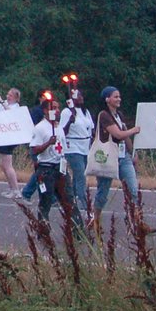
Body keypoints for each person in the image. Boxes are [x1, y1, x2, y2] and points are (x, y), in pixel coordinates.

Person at [92, 86, 156, 234]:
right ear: (107, 99)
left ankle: (139, 222)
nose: (119, 99)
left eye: (119, 96)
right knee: (103, 192)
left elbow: (125, 136)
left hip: (123, 157)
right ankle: (95, 220)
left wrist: (132, 152)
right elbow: (118, 134)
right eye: (115, 96)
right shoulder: (104, 115)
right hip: (108, 158)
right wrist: (134, 130)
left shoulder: (118, 115)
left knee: (133, 190)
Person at [58, 79, 94, 227]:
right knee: (80, 176)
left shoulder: (85, 112)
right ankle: (85, 207)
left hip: (85, 147)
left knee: (78, 176)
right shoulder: (67, 112)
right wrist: (69, 122)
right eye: (78, 96)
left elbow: (90, 128)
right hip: (72, 147)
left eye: (82, 96)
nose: (81, 98)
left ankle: (70, 202)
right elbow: (62, 131)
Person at [28, 94, 66, 222]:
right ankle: (43, 231)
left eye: (58, 108)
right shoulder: (40, 128)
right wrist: (48, 143)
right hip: (47, 169)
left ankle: (75, 231)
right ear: (45, 110)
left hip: (60, 168)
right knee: (45, 202)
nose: (57, 110)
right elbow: (35, 149)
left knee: (68, 200)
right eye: (53, 108)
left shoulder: (59, 126)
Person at [0, 88, 23, 197]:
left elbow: (11, 114)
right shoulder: (3, 104)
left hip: (9, 137)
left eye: (10, 95)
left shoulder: (16, 107)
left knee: (7, 164)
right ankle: (11, 187)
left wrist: (1, 102)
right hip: (2, 137)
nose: (8, 96)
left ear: (16, 98)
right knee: (3, 164)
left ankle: (16, 190)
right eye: (8, 94)